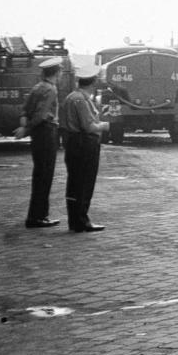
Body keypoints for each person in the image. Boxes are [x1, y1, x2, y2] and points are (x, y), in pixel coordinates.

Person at [60, 71, 110, 233]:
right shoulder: (81, 100)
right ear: (93, 82)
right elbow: (89, 126)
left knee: (74, 183)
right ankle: (82, 221)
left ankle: (74, 220)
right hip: (84, 144)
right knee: (85, 183)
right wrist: (105, 125)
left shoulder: (71, 97)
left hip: (73, 143)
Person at [17, 57, 63, 227]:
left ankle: (37, 215)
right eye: (60, 72)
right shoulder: (51, 90)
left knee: (39, 175)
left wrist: (24, 125)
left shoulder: (37, 88)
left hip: (38, 136)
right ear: (57, 73)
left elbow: (25, 110)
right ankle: (37, 217)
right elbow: (41, 115)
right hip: (46, 133)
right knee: (45, 175)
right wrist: (26, 128)